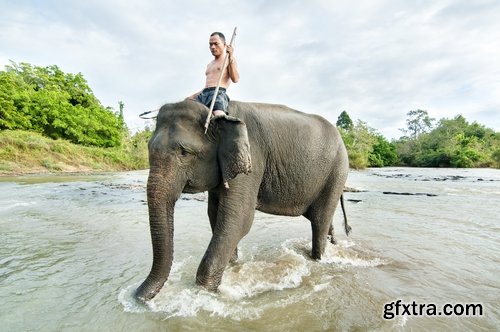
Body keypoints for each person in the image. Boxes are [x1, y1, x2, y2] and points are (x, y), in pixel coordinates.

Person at [187, 32, 239, 116]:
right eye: (210, 44)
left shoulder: (229, 60)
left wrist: (231, 57)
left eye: (216, 44)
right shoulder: (209, 64)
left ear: (225, 44)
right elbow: (207, 87)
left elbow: (235, 79)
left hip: (218, 94)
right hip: (204, 94)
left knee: (219, 116)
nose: (213, 47)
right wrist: (192, 96)